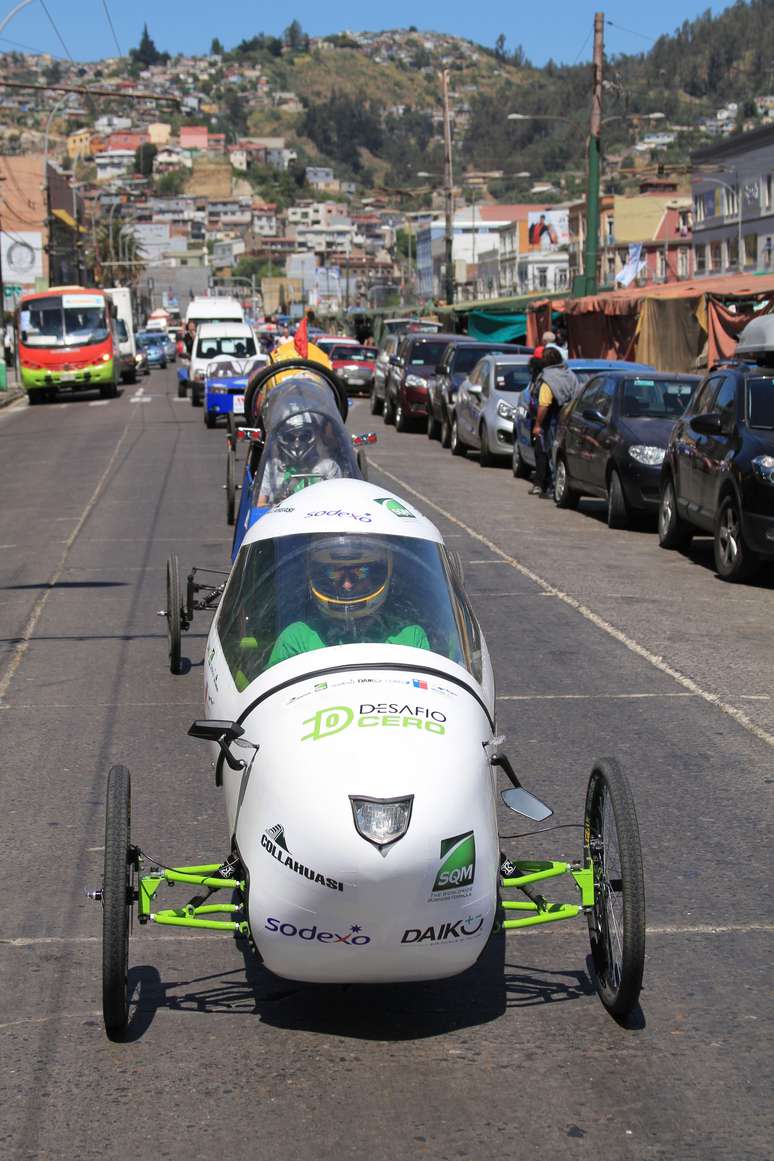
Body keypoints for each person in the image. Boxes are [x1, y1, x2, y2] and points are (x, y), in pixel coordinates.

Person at [267, 535, 429, 667]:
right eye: (334, 573)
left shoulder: (409, 638)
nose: (347, 585)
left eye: (359, 572)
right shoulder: (297, 639)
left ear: (376, 575)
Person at [257, 411, 344, 505]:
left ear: (314, 436)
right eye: (290, 437)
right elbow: (259, 505)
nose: (297, 444)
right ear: (281, 438)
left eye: (304, 437)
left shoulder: (328, 467)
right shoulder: (272, 467)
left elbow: (336, 503)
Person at [531, 347, 578, 498]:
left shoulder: (547, 379)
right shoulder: (570, 374)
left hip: (552, 421)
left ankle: (552, 489)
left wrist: (537, 425)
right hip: (569, 419)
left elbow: (544, 405)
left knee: (552, 453)